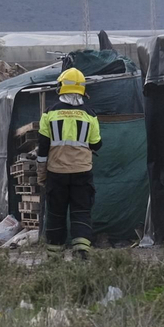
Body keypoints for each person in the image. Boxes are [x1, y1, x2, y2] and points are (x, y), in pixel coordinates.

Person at [36, 68, 102, 260]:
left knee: (56, 214)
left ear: (61, 87)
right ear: (82, 89)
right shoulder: (90, 115)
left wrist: (42, 174)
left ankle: (54, 257)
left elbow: (42, 149)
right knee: (81, 212)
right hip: (82, 172)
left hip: (56, 173)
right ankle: (81, 254)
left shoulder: (49, 114)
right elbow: (97, 143)